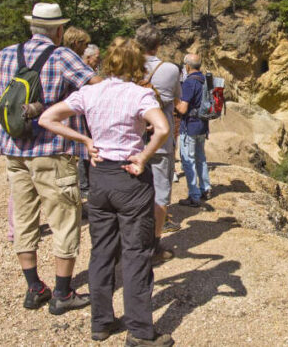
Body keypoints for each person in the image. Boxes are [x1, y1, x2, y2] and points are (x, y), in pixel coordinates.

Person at [0, 2, 98, 314]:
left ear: (32, 27)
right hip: (53, 151)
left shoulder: (8, 53)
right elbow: (96, 87)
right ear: (59, 30)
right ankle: (62, 294)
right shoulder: (63, 55)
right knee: (64, 220)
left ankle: (34, 287)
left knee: (25, 220)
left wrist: (2, 110)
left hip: (13, 149)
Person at [39, 37, 174, 346]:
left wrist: (84, 141)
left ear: (109, 62)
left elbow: (47, 118)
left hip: (99, 175)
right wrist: (143, 156)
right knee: (137, 253)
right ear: (135, 64)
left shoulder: (89, 92)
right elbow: (163, 128)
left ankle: (101, 323)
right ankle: (140, 332)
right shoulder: (140, 94)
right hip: (130, 177)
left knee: (101, 250)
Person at [135, 23, 181, 266]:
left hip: (132, 140)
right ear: (158, 44)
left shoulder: (127, 68)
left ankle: (132, 242)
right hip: (161, 141)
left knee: (133, 191)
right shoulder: (170, 69)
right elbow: (177, 98)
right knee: (160, 193)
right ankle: (153, 246)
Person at [177, 53, 211, 207]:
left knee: (188, 160)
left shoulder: (189, 83)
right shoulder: (205, 80)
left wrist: (173, 100)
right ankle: (206, 188)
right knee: (200, 157)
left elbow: (183, 109)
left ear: (188, 66)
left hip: (190, 126)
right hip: (203, 125)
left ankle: (194, 196)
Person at [63, 27, 93, 200]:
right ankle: (74, 202)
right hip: (70, 119)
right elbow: (91, 83)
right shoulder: (71, 59)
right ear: (76, 43)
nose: (86, 47)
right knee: (69, 166)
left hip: (67, 117)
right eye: (85, 44)